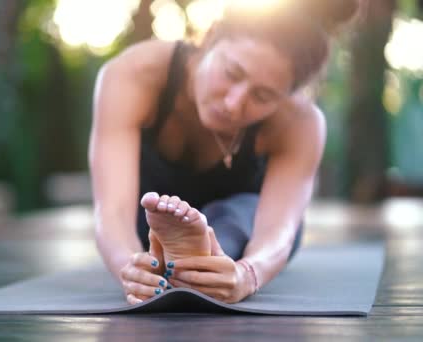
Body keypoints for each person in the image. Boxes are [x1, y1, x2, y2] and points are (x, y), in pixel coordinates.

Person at [88, 0, 359, 305]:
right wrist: (128, 266)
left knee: (242, 212)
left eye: (262, 95)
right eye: (232, 73)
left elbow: (278, 231)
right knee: (154, 211)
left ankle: (198, 256)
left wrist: (248, 274)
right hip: (147, 230)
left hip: (241, 233)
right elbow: (112, 210)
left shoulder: (301, 122)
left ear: (286, 96)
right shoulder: (135, 75)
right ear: (210, 36)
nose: (233, 104)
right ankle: (171, 259)